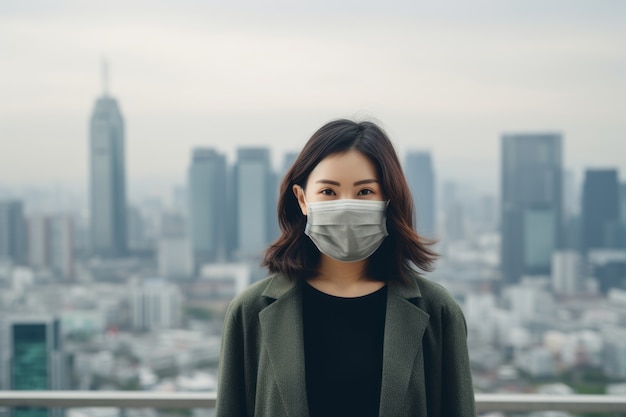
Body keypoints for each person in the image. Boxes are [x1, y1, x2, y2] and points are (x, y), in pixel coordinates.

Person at [216, 119, 476, 417]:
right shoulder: (249, 312)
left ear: (388, 200)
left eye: (365, 192)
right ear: (302, 199)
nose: (346, 205)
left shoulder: (438, 312)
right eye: (328, 192)